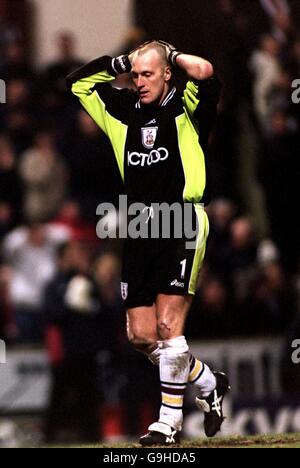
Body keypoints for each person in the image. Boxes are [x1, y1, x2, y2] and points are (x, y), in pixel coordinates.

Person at [66, 40, 230, 446]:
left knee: (168, 327)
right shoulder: (120, 110)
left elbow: (206, 71)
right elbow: (76, 85)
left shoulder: (187, 105)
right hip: (140, 226)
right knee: (141, 336)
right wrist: (122, 62)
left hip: (183, 218)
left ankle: (168, 424)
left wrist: (168, 53)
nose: (139, 82)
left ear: (167, 73)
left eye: (148, 74)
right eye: (135, 75)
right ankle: (208, 381)